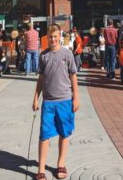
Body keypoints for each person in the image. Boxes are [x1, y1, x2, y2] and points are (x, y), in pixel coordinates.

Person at [32, 24, 79, 180]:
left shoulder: (67, 54)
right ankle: (41, 168)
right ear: (47, 37)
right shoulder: (43, 56)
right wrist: (35, 98)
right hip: (48, 102)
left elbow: (73, 77)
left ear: (60, 36)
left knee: (64, 133)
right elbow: (41, 79)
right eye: (50, 36)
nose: (53, 39)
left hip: (65, 100)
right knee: (44, 135)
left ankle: (61, 164)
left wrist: (76, 97)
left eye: (55, 36)